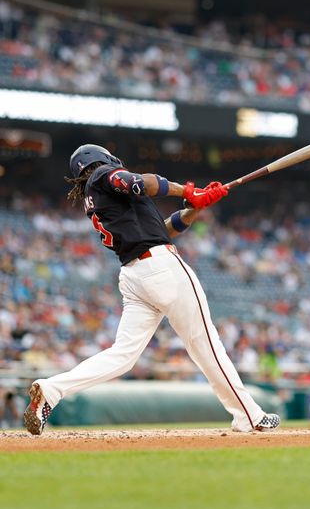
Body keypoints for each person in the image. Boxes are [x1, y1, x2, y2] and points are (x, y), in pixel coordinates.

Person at [23, 144, 280, 435]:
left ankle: (51, 390)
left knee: (122, 356)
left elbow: (163, 228)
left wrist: (194, 207)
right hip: (160, 268)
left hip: (136, 276)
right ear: (103, 160)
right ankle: (249, 415)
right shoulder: (103, 176)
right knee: (206, 344)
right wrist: (188, 191)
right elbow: (138, 182)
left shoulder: (95, 197)